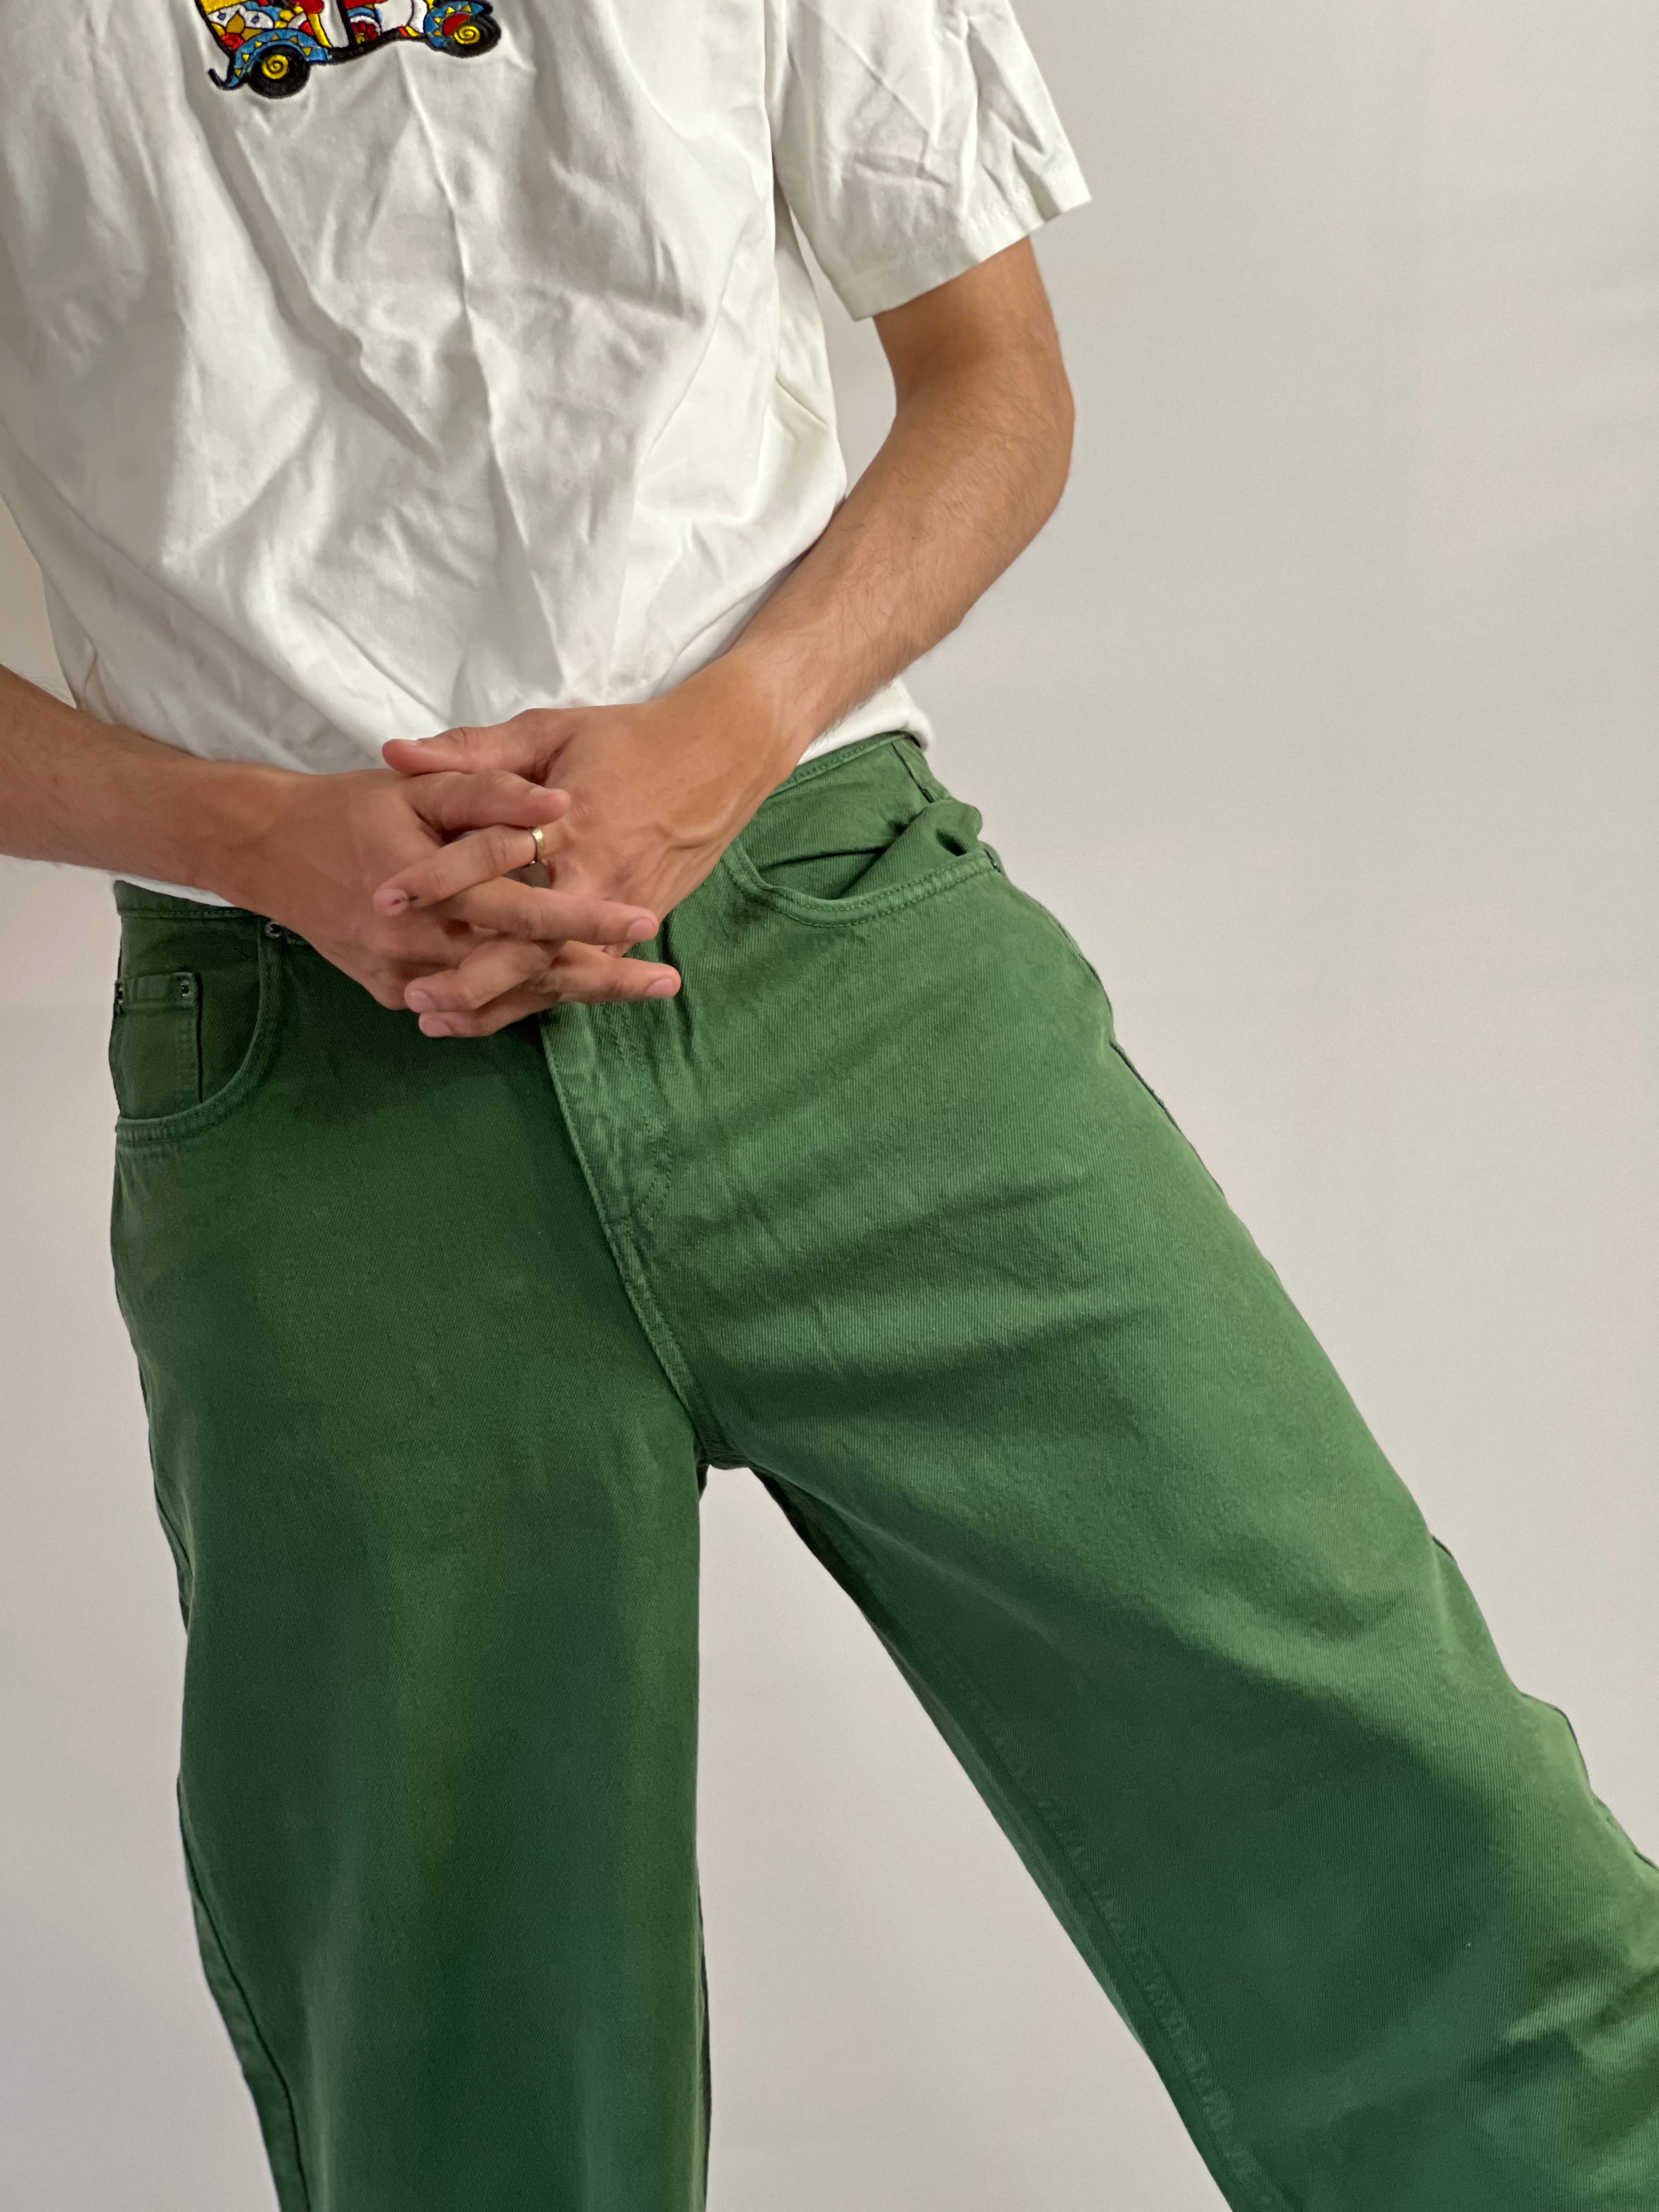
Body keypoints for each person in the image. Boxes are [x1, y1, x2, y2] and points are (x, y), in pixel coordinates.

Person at [1, 3, 1655, 2207]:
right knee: (456, 2068)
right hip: (314, 1058)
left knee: (1421, 1831)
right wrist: (259, 838)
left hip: (843, 948)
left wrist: (733, 728)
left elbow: (996, 384)